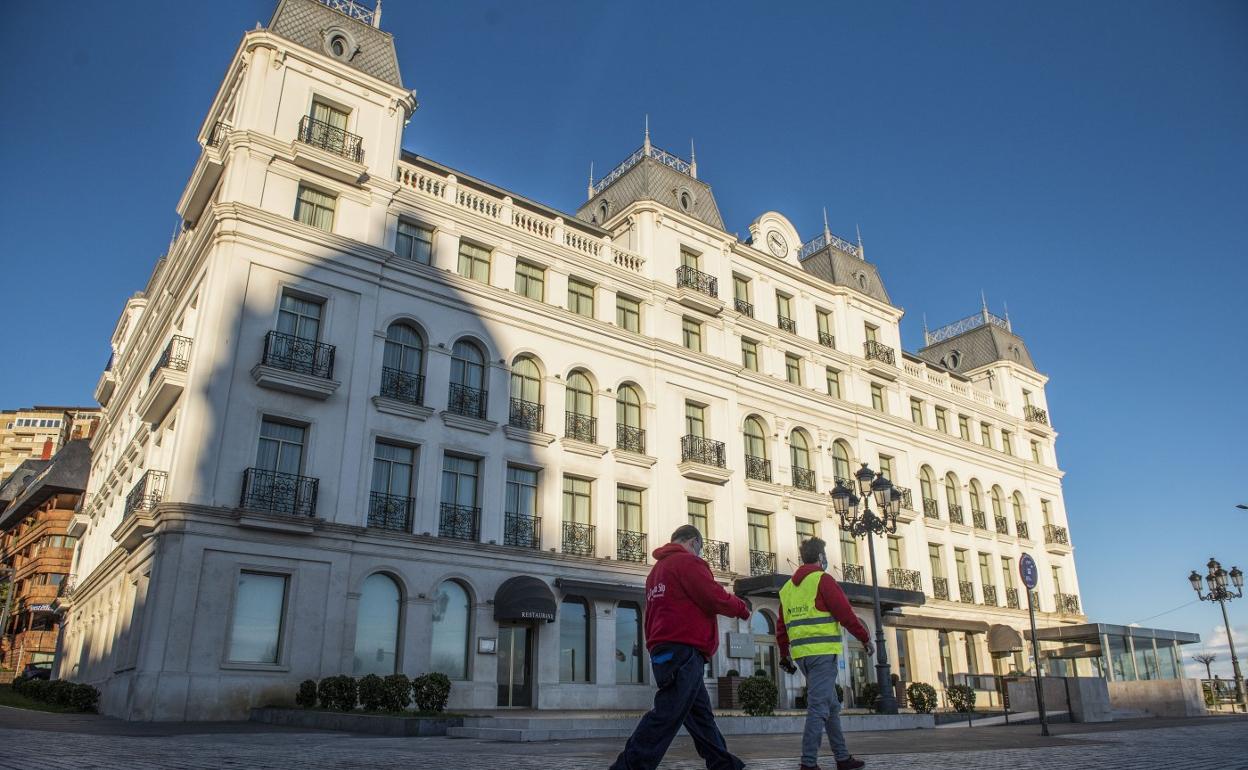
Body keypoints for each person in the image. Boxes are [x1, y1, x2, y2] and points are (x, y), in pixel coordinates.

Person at [610, 524, 751, 770]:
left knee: (701, 718)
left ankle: (723, 765)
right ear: (694, 542)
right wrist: (740, 608)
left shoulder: (656, 572)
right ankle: (627, 767)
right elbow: (713, 595)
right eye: (700, 548)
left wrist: (652, 644)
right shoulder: (688, 563)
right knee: (666, 715)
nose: (700, 554)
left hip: (664, 649)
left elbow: (650, 615)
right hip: (684, 650)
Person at [777, 537, 874, 770]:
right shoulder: (823, 580)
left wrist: (784, 654)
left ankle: (842, 757)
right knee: (819, 707)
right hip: (822, 654)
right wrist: (865, 638)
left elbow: (781, 627)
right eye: (825, 556)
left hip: (803, 656)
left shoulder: (787, 588)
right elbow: (845, 614)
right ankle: (808, 763)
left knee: (831, 706)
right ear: (821, 558)